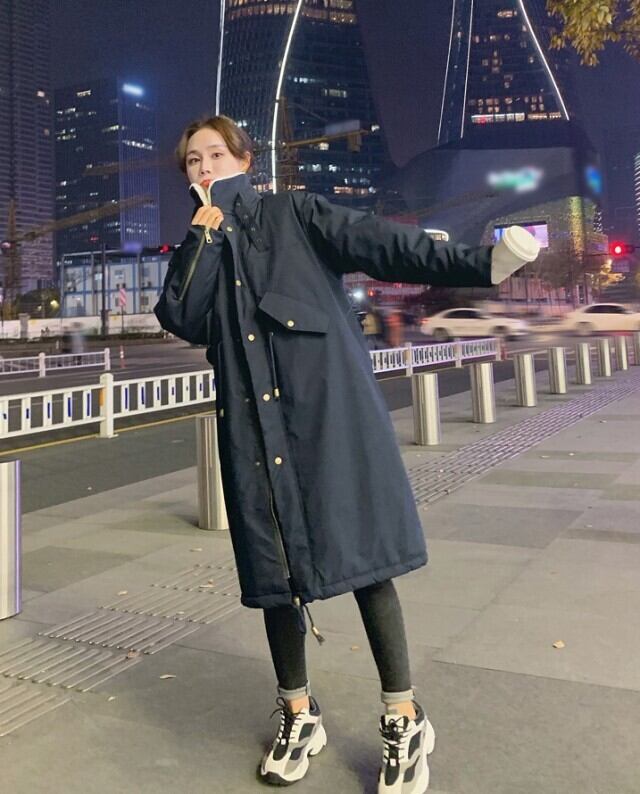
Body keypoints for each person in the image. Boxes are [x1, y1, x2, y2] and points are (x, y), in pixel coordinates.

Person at [154, 115, 537, 793]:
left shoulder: (294, 214)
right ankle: (298, 712)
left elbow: (378, 242)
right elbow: (180, 315)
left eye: (215, 154)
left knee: (364, 561)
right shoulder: (201, 241)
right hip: (254, 434)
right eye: (192, 161)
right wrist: (201, 238)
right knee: (274, 576)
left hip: (326, 422)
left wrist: (480, 264)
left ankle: (404, 716)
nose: (204, 167)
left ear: (245, 159)